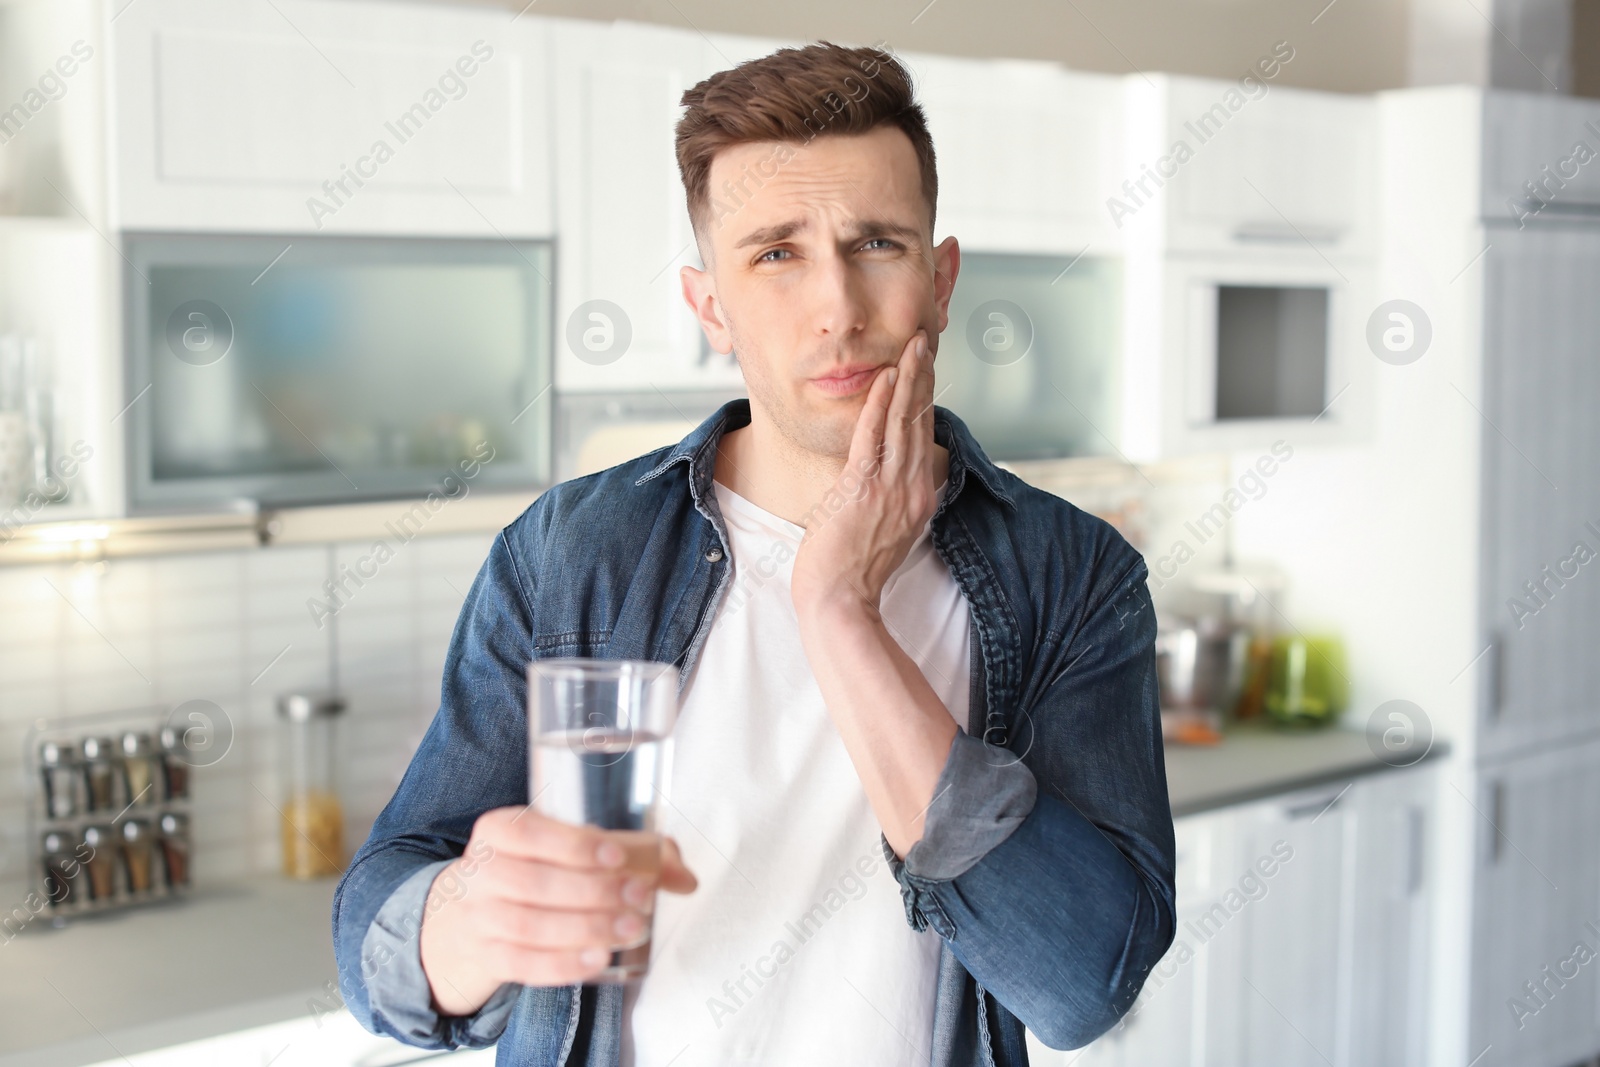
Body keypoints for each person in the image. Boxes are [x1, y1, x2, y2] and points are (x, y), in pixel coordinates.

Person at [333, 40, 1175, 1067]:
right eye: (776, 252)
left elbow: (1085, 979)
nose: (839, 307)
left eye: (877, 243)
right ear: (709, 308)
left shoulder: (1073, 575)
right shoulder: (568, 551)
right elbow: (379, 934)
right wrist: (464, 918)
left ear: (941, 278)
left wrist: (838, 610)